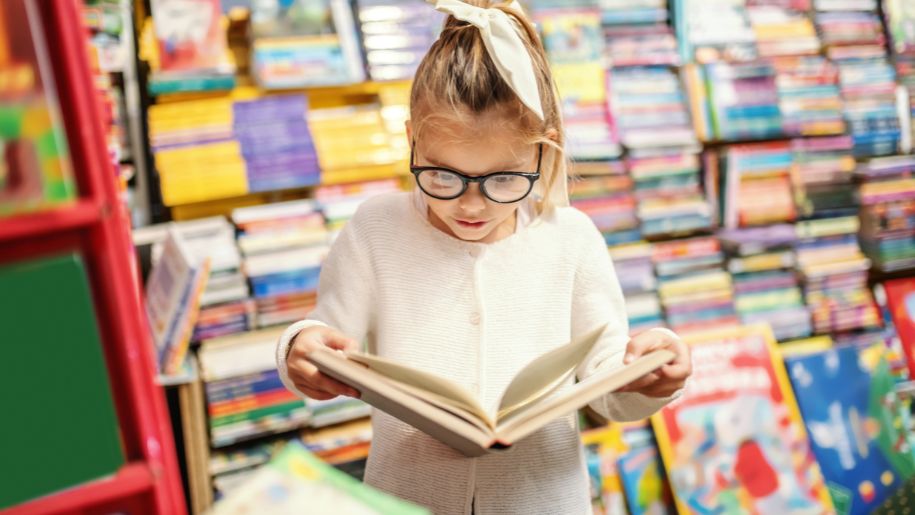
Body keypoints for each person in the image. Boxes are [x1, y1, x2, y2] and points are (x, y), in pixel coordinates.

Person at [276, 0, 691, 512]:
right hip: (410, 495)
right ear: (412, 141)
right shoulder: (375, 230)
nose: (471, 205)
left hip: (543, 500)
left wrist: (650, 374)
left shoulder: (573, 239)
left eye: (504, 179)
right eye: (443, 176)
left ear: (544, 153)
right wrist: (300, 349)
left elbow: (610, 389)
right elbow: (325, 341)